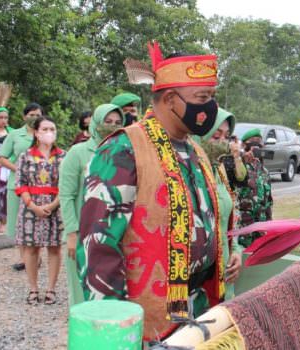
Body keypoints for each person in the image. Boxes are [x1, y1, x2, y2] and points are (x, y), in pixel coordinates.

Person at [78, 42, 231, 341]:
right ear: (171, 99)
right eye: (202, 97)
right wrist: (115, 329)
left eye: (212, 97)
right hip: (146, 317)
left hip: (198, 308)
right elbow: (98, 245)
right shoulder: (124, 148)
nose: (210, 106)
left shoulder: (196, 151)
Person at [59, 103, 123, 306]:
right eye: (108, 121)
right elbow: (66, 195)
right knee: (81, 291)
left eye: (118, 123)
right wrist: (71, 232)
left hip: (111, 235)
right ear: (95, 123)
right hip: (81, 235)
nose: (112, 126)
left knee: (108, 291)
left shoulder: (122, 153)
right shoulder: (78, 152)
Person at [15, 116, 65, 305]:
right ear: (36, 132)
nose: (48, 132)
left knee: (54, 248)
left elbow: (66, 184)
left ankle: (51, 289)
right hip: (30, 207)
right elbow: (20, 184)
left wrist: (53, 205)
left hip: (55, 206)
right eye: (44, 129)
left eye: (52, 128)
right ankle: (33, 288)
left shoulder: (63, 156)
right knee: (31, 248)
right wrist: (33, 206)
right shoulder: (25, 156)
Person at [200, 108, 244, 299]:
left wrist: (236, 251)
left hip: (225, 270)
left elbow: (227, 218)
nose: (223, 142)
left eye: (226, 136)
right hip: (200, 278)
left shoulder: (219, 170)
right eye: (215, 136)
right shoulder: (187, 172)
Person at [0, 102, 43, 271]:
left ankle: (36, 257)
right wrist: (19, 169)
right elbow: (2, 157)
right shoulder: (15, 135)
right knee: (19, 222)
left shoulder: (45, 133)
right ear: (24, 116)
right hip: (16, 184)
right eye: (31, 114)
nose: (34, 118)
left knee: (38, 222)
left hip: (41, 185)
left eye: (37, 115)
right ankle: (25, 259)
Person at [236, 128, 273, 248]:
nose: (256, 146)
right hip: (243, 226)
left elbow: (268, 201)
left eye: (259, 142)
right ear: (244, 145)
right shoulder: (238, 166)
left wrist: (269, 224)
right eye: (252, 142)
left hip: (260, 226)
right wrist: (241, 158)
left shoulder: (264, 171)